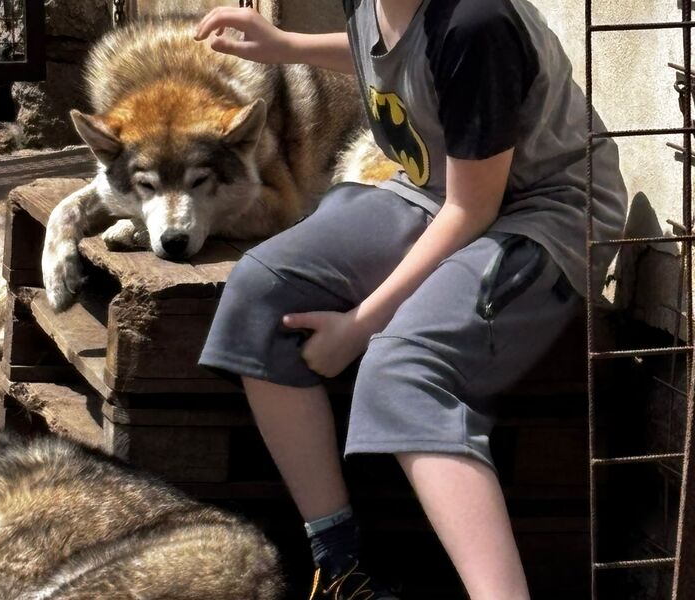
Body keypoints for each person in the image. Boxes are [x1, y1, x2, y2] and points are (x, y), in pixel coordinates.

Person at [194, 1, 627, 599]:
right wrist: (285, 46)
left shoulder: (475, 23)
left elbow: (473, 207)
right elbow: (392, 53)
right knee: (260, 290)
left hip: (545, 212)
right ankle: (342, 568)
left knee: (402, 370)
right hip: (435, 190)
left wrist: (361, 324)